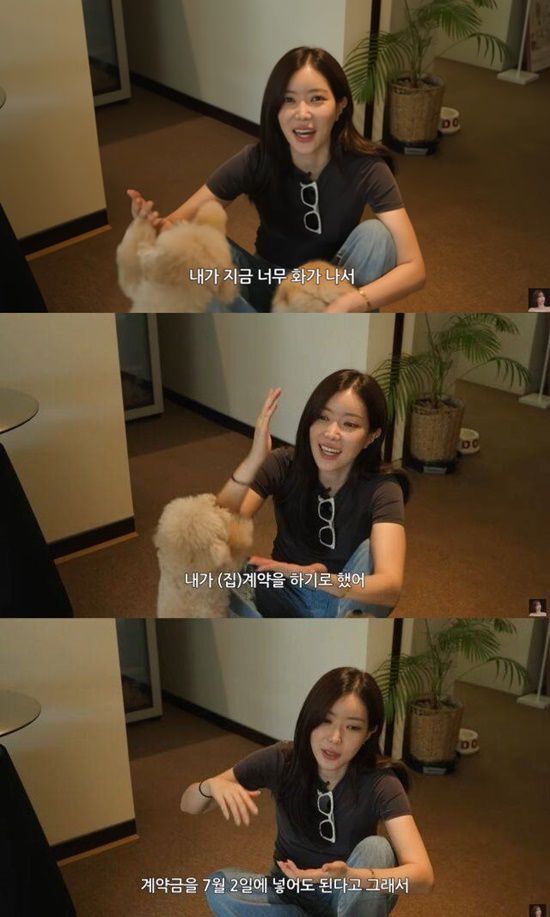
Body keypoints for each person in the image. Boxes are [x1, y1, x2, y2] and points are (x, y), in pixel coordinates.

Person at [128, 46, 425, 313]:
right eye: (289, 100)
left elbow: (414, 267)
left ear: (340, 107)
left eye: (317, 99)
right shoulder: (256, 160)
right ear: (276, 109)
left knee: (377, 236)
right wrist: (154, 227)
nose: (302, 113)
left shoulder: (367, 168)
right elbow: (176, 223)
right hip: (264, 278)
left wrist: (354, 301)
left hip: (328, 287)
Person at [180, 666, 434, 915]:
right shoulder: (282, 759)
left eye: (353, 727)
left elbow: (423, 878)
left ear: (369, 733)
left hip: (348, 893)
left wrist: (350, 876)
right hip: (286, 890)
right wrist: (209, 785)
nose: (335, 738)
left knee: (377, 849)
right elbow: (188, 804)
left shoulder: (381, 783)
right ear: (310, 718)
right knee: (220, 887)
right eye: (326, 720)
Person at [216, 369, 408, 618]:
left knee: (372, 550)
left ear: (371, 436)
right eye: (323, 417)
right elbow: (218, 529)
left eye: (349, 424)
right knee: (207, 567)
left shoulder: (383, 489)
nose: (331, 433)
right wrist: (254, 459)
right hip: (280, 585)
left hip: (341, 597)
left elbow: (390, 587)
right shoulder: (284, 463)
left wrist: (318, 580)